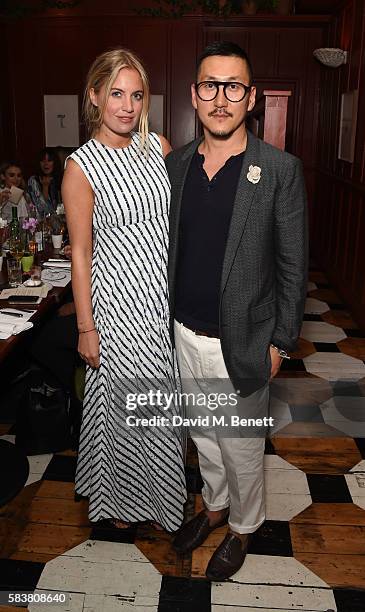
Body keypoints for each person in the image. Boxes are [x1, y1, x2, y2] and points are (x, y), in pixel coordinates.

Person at [166, 41, 308, 580]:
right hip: (182, 334)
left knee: (243, 444)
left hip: (245, 340)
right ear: (194, 95)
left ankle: (245, 526)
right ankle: (215, 505)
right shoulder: (176, 164)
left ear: (251, 98)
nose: (220, 99)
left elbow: (294, 266)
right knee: (204, 435)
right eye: (210, 86)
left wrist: (281, 341)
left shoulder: (278, 169)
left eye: (233, 87)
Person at [62, 48, 186, 531]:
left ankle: (160, 500)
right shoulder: (80, 167)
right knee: (127, 409)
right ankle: (120, 502)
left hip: (162, 303)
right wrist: (86, 327)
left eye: (136, 95)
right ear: (94, 95)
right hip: (116, 309)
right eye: (116, 93)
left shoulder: (158, 147)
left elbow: (181, 223)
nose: (127, 106)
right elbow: (79, 252)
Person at [28, 148, 61, 216]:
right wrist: (45, 187)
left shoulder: (59, 178)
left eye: (49, 160)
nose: (46, 164)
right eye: (43, 161)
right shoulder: (33, 180)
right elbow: (42, 209)